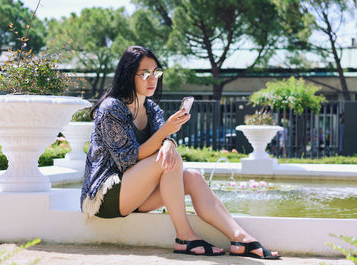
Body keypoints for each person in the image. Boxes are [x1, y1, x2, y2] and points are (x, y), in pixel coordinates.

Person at [80, 46, 280, 260]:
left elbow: (163, 139)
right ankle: (185, 237)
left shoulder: (151, 108)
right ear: (129, 75)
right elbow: (128, 158)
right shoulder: (112, 108)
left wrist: (168, 141)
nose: (152, 79)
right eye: (145, 74)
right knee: (169, 159)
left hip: (136, 193)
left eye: (156, 73)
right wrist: (166, 135)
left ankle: (240, 237)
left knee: (192, 177)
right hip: (104, 197)